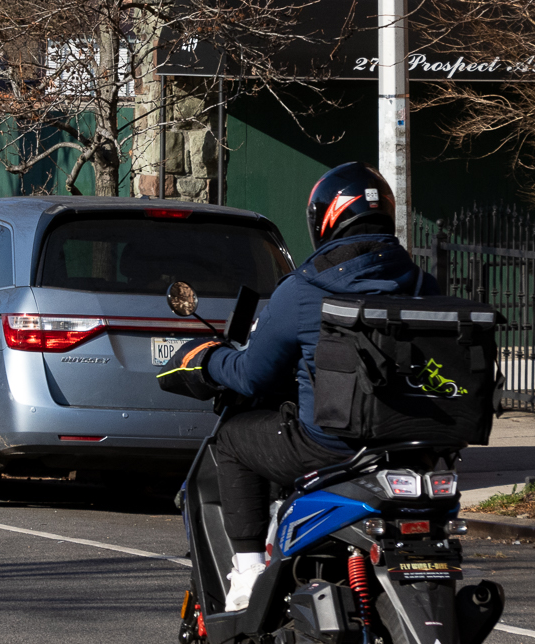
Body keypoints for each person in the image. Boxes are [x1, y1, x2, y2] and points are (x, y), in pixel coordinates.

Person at [158, 161, 439, 613]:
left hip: (331, 446)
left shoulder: (306, 289)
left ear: (324, 219)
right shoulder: (426, 285)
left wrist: (208, 358)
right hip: (418, 448)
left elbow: (252, 374)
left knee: (231, 440)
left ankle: (248, 571)